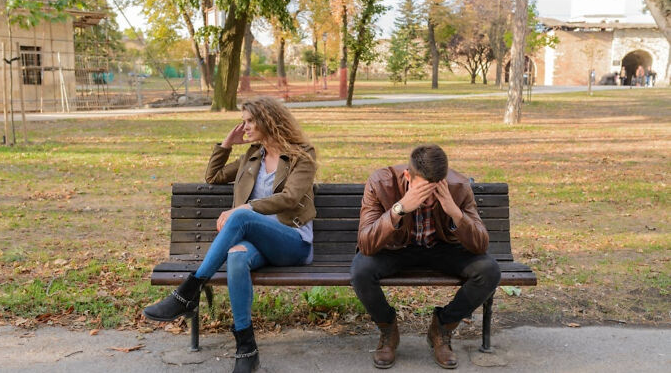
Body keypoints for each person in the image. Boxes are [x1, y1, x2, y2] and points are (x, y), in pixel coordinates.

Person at [143, 96, 317, 373]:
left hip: (292, 241)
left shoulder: (302, 154)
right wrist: (226, 144)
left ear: (267, 120)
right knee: (236, 256)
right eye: (243, 121)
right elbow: (213, 177)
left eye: (249, 121)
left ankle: (189, 291)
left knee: (242, 215)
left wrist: (244, 208)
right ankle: (246, 347)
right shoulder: (252, 155)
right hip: (257, 241)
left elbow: (290, 197)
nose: (244, 127)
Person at [351, 145, 500, 370]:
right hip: (396, 249)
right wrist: (399, 209)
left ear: (444, 181)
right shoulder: (381, 182)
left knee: (489, 271)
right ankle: (388, 329)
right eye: (422, 192)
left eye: (434, 192)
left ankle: (442, 327)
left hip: (442, 248)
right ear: (408, 176)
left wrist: (453, 210)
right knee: (361, 270)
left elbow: (480, 244)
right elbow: (366, 244)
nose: (428, 201)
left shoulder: (458, 186)